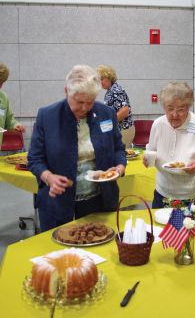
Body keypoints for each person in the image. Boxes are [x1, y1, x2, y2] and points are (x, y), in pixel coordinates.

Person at [28, 65, 127, 232]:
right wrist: (49, 177)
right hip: (58, 201)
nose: (85, 108)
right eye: (80, 102)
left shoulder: (106, 113)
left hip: (98, 200)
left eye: (90, 102)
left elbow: (118, 148)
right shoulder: (48, 116)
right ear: (66, 91)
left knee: (97, 249)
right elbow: (35, 159)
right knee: (58, 251)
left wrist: (120, 167)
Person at [143, 81, 195, 208]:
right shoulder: (158, 125)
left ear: (188, 108)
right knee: (161, 228)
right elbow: (151, 149)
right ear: (164, 107)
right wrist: (147, 158)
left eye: (181, 109)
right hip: (164, 192)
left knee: (194, 228)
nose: (174, 115)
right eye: (170, 108)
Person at [97, 65, 135, 148]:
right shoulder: (111, 90)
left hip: (124, 130)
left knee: (122, 157)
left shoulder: (116, 90)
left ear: (109, 77)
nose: (100, 82)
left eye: (102, 79)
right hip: (120, 130)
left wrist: (107, 124)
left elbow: (125, 111)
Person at [0, 62, 25, 147]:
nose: (1, 86)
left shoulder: (3, 97)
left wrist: (15, 125)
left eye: (2, 82)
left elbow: (8, 120)